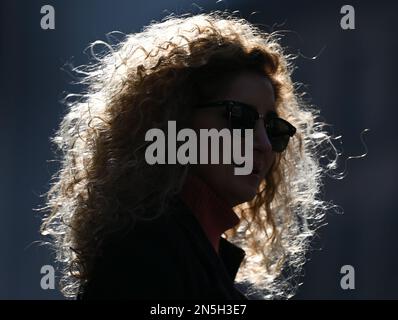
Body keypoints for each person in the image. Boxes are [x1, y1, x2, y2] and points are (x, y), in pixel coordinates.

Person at [40, 12, 332, 300]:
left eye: (273, 127)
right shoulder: (144, 254)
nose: (264, 144)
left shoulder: (194, 251)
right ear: (175, 122)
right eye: (239, 117)